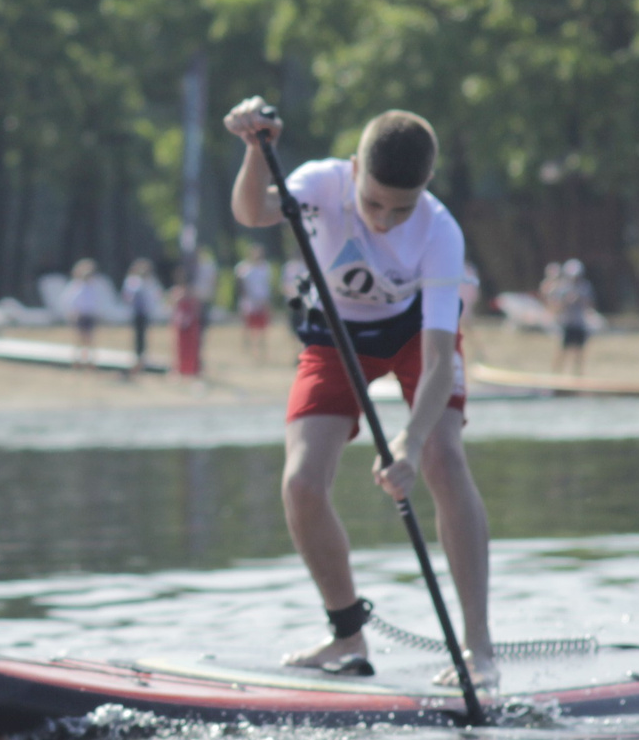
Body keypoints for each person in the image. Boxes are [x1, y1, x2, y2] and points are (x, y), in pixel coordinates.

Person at [225, 105, 498, 692]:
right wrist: (254, 148)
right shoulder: (320, 183)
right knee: (300, 484)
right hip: (335, 333)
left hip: (411, 338)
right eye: (373, 203)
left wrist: (411, 439)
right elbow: (252, 212)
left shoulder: (441, 232)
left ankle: (478, 649)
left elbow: (437, 358)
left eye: (402, 208)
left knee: (443, 460)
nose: (384, 220)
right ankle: (348, 636)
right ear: (354, 171)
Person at [547, 258, 593, 376]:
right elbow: (555, 306)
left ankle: (578, 376)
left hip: (579, 323)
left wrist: (580, 300)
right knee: (562, 351)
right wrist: (566, 301)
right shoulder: (562, 288)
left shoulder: (585, 287)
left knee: (579, 352)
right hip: (567, 323)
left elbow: (589, 305)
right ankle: (555, 374)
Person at [122, 258, 161, 382]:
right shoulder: (132, 281)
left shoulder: (150, 281)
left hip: (146, 313)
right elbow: (128, 296)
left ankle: (143, 358)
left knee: (145, 336)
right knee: (137, 336)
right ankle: (137, 358)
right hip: (136, 313)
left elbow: (155, 296)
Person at [66, 259, 109, 368]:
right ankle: (77, 361)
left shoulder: (94, 287)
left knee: (90, 339)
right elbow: (71, 300)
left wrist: (99, 313)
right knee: (79, 339)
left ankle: (90, 362)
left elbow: (97, 302)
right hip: (81, 315)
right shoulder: (76, 286)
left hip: (90, 315)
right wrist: (72, 312)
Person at [236, 252, 274, 362]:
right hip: (250, 303)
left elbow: (267, 285)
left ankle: (262, 350)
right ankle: (249, 349)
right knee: (249, 327)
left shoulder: (265, 268)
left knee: (262, 327)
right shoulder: (245, 269)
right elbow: (241, 284)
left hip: (262, 301)